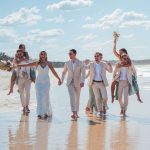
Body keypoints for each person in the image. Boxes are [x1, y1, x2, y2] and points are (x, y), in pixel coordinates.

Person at [17, 51, 61, 119]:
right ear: (40, 55)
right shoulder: (37, 63)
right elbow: (27, 64)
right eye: (41, 54)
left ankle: (46, 112)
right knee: (39, 97)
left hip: (46, 82)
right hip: (39, 82)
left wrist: (59, 79)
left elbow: (53, 72)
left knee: (46, 97)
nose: (43, 55)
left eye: (44, 54)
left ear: (46, 55)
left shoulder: (49, 63)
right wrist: (19, 65)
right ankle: (40, 113)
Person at [112, 32, 142, 103]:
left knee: (135, 84)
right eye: (119, 52)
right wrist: (115, 42)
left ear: (125, 52)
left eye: (121, 52)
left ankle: (138, 97)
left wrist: (121, 65)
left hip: (130, 72)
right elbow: (114, 51)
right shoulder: (120, 57)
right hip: (121, 75)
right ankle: (114, 96)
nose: (120, 53)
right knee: (114, 83)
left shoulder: (127, 57)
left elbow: (129, 65)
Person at [61, 49, 85, 120]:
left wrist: (82, 81)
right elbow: (64, 72)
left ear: (75, 54)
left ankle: (76, 112)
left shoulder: (80, 63)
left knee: (77, 98)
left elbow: (83, 73)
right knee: (72, 96)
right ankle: (74, 112)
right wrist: (61, 80)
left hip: (78, 83)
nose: (69, 55)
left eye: (71, 54)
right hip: (69, 82)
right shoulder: (67, 63)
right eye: (69, 54)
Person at [88, 52, 112, 116]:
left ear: (100, 57)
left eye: (97, 56)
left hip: (102, 83)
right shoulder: (91, 64)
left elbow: (110, 71)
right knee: (97, 98)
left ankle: (104, 106)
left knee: (105, 97)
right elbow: (85, 68)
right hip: (94, 83)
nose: (96, 57)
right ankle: (100, 110)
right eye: (95, 56)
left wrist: (110, 66)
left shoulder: (103, 64)